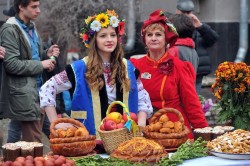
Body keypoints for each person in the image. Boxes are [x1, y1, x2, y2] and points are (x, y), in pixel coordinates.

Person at [39, 10, 153, 136]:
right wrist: (56, 122)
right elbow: (47, 89)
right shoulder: (78, 69)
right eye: (103, 36)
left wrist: (141, 124)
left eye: (113, 35)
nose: (109, 39)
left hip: (125, 141)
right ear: (94, 40)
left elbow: (143, 100)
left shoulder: (128, 67)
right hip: (89, 140)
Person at [130, 9, 208, 139]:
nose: (153, 38)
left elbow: (192, 104)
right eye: (149, 35)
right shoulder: (134, 65)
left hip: (174, 129)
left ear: (166, 38)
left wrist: (205, 135)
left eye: (158, 34)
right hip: (143, 129)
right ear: (145, 39)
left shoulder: (179, 67)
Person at [0, 0, 60, 143]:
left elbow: (31, 56)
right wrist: (41, 64)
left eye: (38, 6)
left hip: (39, 92)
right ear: (21, 7)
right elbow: (12, 64)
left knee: (53, 135)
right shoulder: (10, 29)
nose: (38, 10)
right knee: (33, 144)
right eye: (34, 7)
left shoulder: (31, 27)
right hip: (24, 95)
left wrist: (46, 54)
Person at [176, 0, 219, 94]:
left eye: (189, 12)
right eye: (184, 12)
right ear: (178, 12)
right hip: (180, 68)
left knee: (195, 97)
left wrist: (200, 26)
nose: (187, 15)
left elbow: (213, 39)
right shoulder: (174, 25)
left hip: (198, 70)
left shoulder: (198, 25)